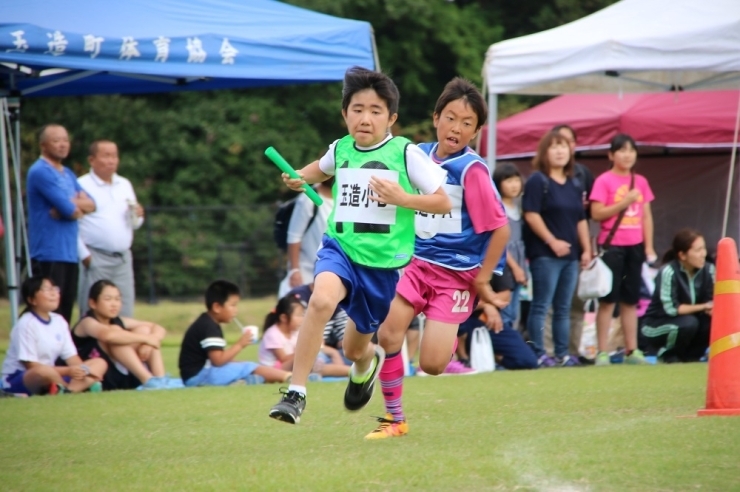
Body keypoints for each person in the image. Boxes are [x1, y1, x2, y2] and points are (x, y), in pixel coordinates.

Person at [268, 66, 451, 424]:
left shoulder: (406, 153)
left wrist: (402, 198)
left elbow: (442, 201)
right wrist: (297, 177)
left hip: (381, 268)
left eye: (375, 111)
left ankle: (367, 361)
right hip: (340, 248)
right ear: (345, 114)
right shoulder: (341, 149)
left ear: (391, 118)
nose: (365, 118)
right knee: (320, 300)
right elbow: (317, 170)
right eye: (357, 109)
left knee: (355, 348)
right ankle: (296, 392)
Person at [368, 77, 510, 439]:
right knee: (388, 334)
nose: (456, 128)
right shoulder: (416, 154)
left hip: (457, 275)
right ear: (436, 118)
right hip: (416, 264)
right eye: (450, 117)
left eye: (467, 123)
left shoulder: (472, 171)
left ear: (477, 131)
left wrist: (482, 280)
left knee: (431, 364)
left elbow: (501, 229)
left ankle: (449, 328)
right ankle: (394, 419)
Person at [523, 131, 591, 368]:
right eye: (554, 147)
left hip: (571, 256)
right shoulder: (537, 181)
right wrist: (552, 241)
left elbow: (581, 219)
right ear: (544, 152)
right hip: (545, 255)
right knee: (542, 305)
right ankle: (539, 352)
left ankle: (562, 354)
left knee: (564, 307)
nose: (560, 151)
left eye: (564, 146)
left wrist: (586, 249)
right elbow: (531, 214)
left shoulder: (575, 182)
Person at [589, 134, 655, 366]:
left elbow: (646, 216)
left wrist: (648, 246)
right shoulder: (604, 181)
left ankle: (632, 350)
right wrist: (624, 202)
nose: (627, 155)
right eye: (622, 150)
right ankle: (602, 351)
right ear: (611, 155)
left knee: (630, 300)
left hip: (635, 246)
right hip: (612, 245)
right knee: (608, 301)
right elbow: (596, 214)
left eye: (631, 150)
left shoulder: (641, 182)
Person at [27, 124, 96, 323]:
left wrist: (70, 204)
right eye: (56, 140)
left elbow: (91, 205)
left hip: (69, 252)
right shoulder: (40, 172)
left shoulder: (67, 174)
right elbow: (71, 211)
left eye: (65, 140)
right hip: (49, 253)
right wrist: (72, 206)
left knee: (64, 313)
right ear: (43, 145)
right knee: (47, 312)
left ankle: (61, 355)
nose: (63, 145)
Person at [1, 277, 106, 395]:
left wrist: (83, 371)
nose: (54, 294)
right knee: (43, 371)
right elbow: (31, 366)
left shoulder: (59, 321)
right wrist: (69, 371)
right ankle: (76, 388)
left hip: (54, 375)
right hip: (22, 376)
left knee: (100, 363)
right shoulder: (26, 324)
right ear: (32, 300)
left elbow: (72, 358)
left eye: (55, 289)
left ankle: (68, 391)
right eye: (47, 290)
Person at [179, 280, 290, 387]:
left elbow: (218, 358)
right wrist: (240, 344)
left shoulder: (207, 323)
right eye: (233, 305)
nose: (235, 310)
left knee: (246, 367)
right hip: (199, 377)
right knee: (249, 367)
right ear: (217, 307)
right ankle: (289, 377)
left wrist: (238, 364)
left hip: (196, 376)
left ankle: (245, 381)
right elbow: (218, 361)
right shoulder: (209, 327)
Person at [77, 140, 144, 318]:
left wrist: (138, 215)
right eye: (106, 156)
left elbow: (134, 222)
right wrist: (85, 257)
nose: (112, 160)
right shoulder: (81, 185)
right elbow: (72, 226)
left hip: (123, 258)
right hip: (95, 256)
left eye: (114, 156)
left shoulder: (124, 184)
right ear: (92, 160)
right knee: (92, 313)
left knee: (124, 312)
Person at [71, 280, 169, 390]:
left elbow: (158, 327)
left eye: (117, 299)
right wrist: (147, 339)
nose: (114, 304)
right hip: (99, 375)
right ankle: (147, 380)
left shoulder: (118, 321)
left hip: (123, 373)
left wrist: (150, 342)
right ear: (93, 303)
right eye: (108, 299)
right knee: (117, 334)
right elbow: (108, 336)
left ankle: (160, 379)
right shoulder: (87, 322)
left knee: (144, 329)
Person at [641, 229, 713, 363]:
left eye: (704, 248)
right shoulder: (668, 272)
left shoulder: (709, 270)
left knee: (709, 322)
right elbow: (672, 309)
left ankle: (692, 358)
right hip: (656, 325)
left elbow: (712, 301)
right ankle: (668, 355)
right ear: (682, 255)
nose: (703, 254)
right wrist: (705, 306)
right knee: (689, 323)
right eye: (698, 250)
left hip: (690, 323)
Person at [259, 295, 350, 377]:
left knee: (329, 354)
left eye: (303, 315)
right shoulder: (272, 334)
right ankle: (349, 372)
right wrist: (309, 350)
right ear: (284, 318)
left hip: (293, 365)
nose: (302, 319)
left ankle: (348, 371)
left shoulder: (295, 332)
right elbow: (284, 359)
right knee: (309, 360)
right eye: (298, 315)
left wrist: (319, 344)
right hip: (276, 370)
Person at [279, 178, 334, 297]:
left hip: (332, 271)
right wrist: (294, 270)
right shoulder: (308, 198)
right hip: (306, 271)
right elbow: (294, 236)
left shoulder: (346, 196)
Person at [493, 163, 527, 339]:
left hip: (519, 260)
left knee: (516, 310)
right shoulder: (497, 208)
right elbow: (499, 244)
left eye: (516, 180)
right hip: (505, 262)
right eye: (508, 181)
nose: (514, 185)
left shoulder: (519, 206)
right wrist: (515, 267)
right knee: (506, 309)